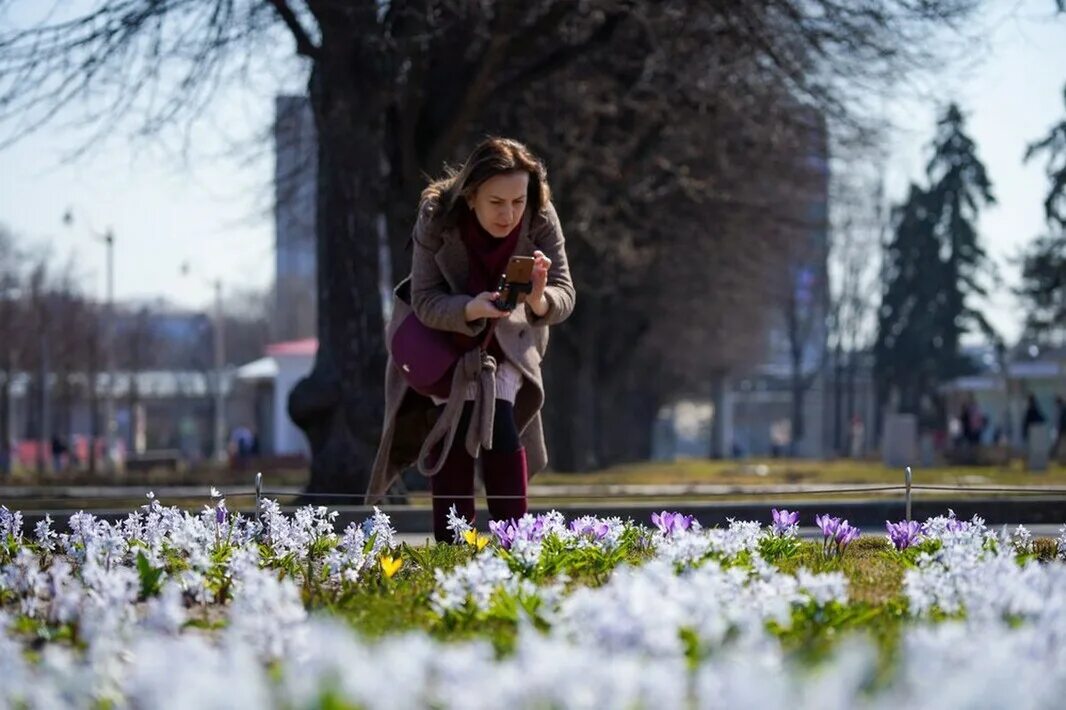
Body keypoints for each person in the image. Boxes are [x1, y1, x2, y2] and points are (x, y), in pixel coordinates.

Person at [367, 137, 575, 542]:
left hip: (510, 342)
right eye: (497, 202)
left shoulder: (541, 214)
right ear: (470, 195)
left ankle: (514, 546)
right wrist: (470, 309)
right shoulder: (437, 216)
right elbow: (424, 299)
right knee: (453, 431)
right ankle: (455, 548)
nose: (509, 213)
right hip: (445, 343)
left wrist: (538, 297)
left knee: (497, 420)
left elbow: (565, 293)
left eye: (518, 201)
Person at [1051, 395, 1066, 460]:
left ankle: (1057, 456)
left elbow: (1061, 421)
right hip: (1061, 429)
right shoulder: (1062, 408)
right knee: (1061, 444)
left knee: (1060, 444)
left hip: (1062, 429)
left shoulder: (1062, 408)